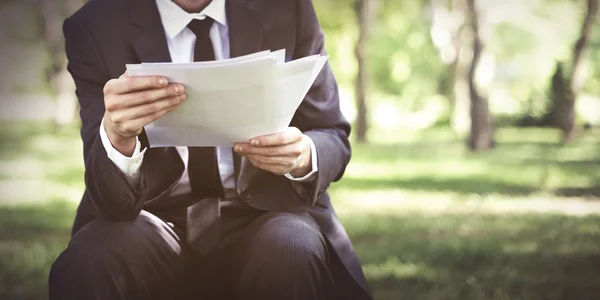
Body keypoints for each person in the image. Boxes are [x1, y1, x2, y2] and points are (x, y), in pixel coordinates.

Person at [49, 0, 372, 299]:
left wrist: (303, 154)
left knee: (291, 246)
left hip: (264, 212)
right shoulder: (96, 25)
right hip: (148, 215)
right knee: (92, 256)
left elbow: (331, 134)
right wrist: (118, 136)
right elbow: (104, 188)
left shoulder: (287, 9)